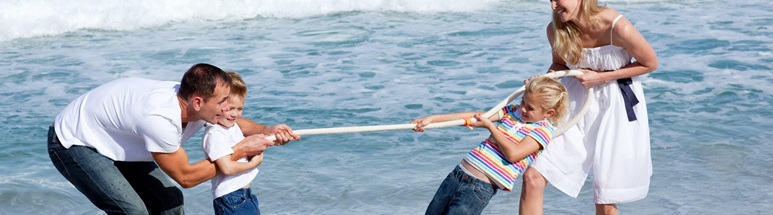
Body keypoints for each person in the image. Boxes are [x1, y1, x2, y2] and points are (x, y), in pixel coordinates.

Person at [47, 63, 301, 214]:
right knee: (132, 211)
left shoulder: (198, 103)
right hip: (76, 141)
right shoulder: (160, 119)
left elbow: (230, 120)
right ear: (198, 102)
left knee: (169, 203)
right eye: (222, 101)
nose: (227, 108)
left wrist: (265, 130)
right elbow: (186, 177)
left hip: (120, 139)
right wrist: (241, 149)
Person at [518, 0, 659, 214]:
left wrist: (601, 77)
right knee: (533, 177)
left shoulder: (615, 25)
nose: (553, 6)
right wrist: (543, 81)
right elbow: (560, 65)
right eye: (550, 0)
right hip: (573, 107)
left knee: (605, 199)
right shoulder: (556, 29)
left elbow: (650, 63)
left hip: (616, 107)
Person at [412, 76, 569, 215]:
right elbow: (473, 117)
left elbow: (513, 154)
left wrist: (491, 127)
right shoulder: (512, 111)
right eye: (523, 101)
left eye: (530, 108)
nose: (523, 108)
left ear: (549, 113)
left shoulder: (543, 131)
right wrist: (432, 119)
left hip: (479, 188)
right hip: (457, 174)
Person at [202, 71, 264, 215]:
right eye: (230, 108)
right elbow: (227, 168)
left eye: (240, 108)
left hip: (244, 195)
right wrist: (253, 164)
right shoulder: (215, 133)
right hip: (231, 199)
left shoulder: (233, 127)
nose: (235, 114)